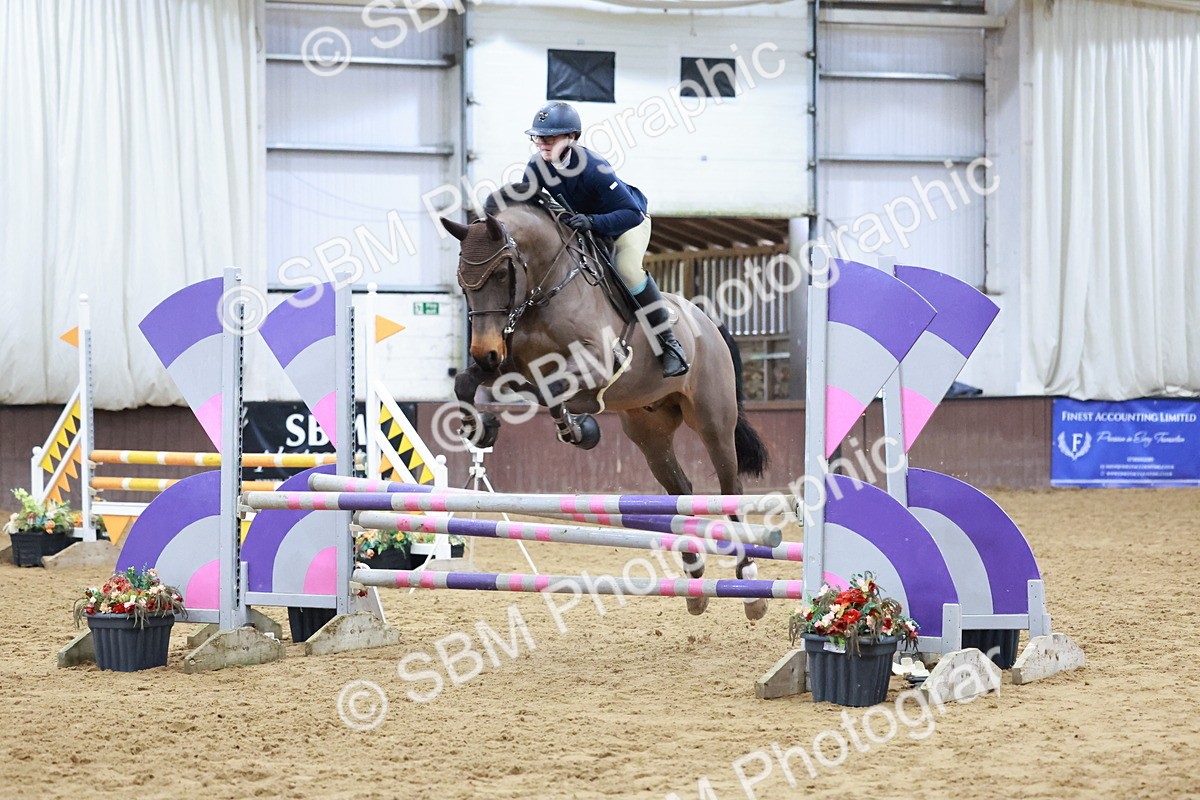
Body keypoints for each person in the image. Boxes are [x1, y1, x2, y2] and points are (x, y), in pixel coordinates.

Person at [521, 101, 688, 378]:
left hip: (625, 223)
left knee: (628, 270)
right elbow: (527, 204)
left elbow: (631, 213)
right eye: (538, 138)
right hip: (583, 225)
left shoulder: (594, 167)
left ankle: (668, 343)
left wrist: (594, 222)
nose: (542, 143)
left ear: (571, 137)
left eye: (549, 138)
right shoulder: (537, 166)